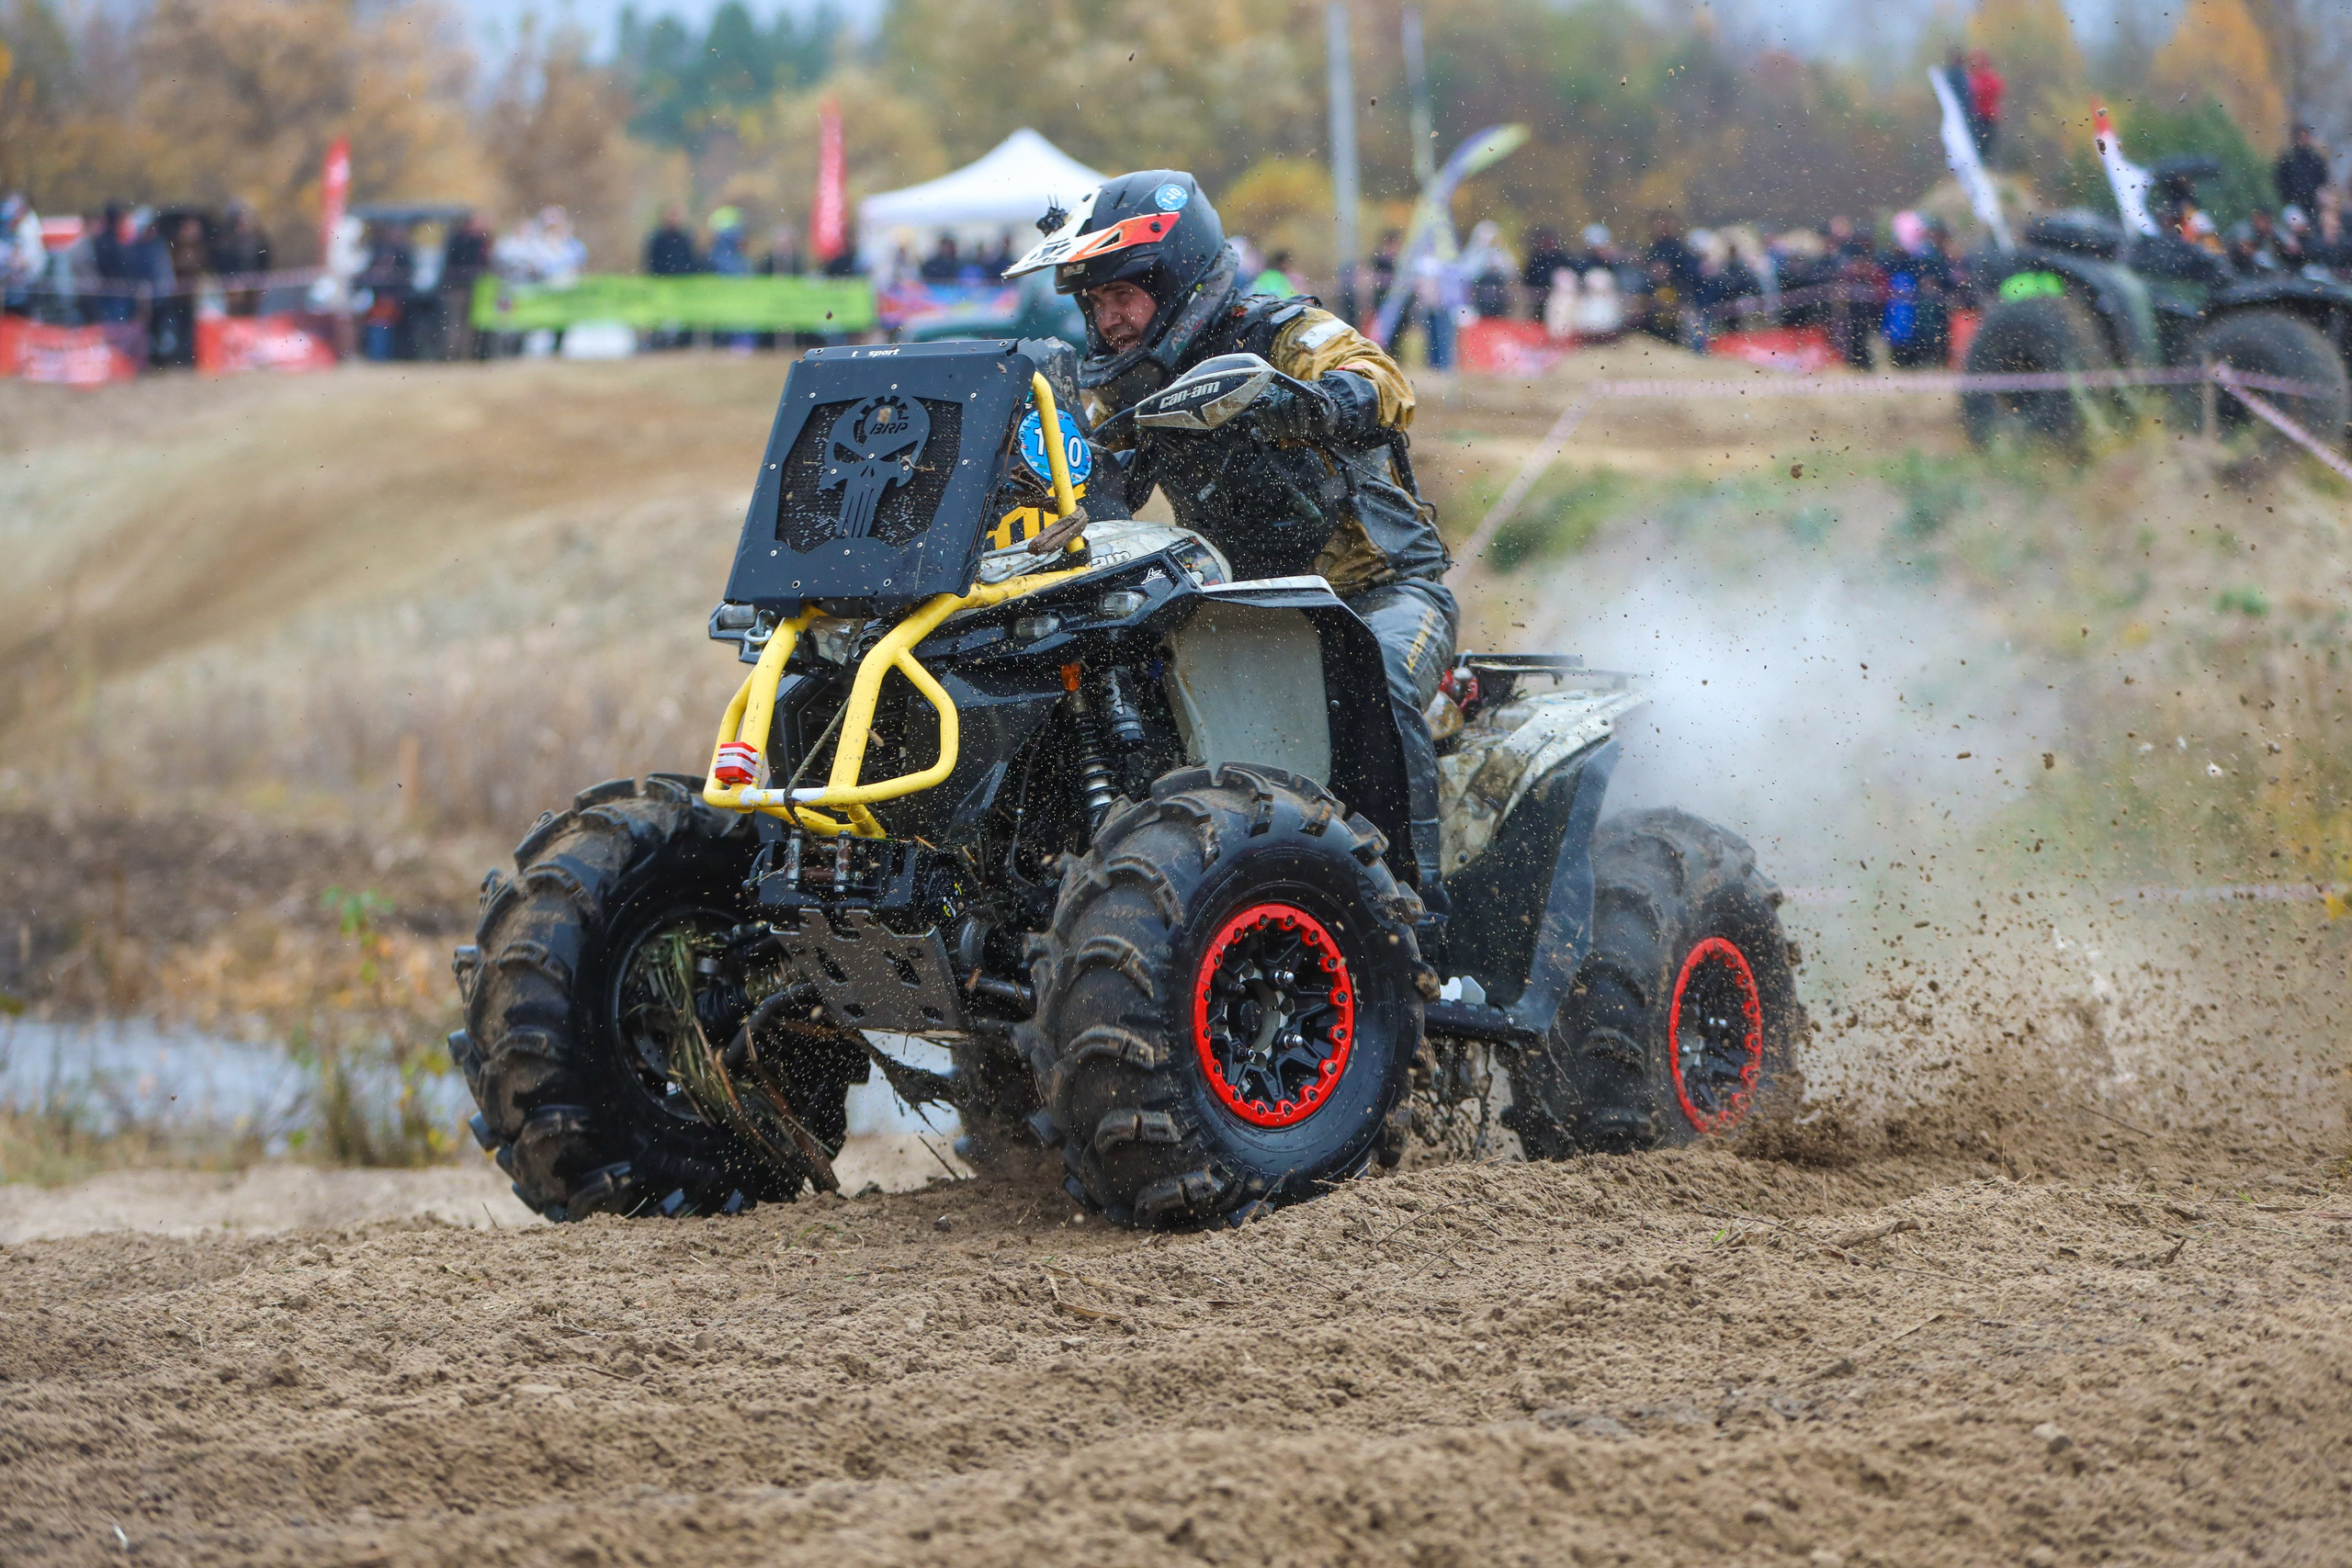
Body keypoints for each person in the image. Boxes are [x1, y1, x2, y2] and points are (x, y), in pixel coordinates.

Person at [1005, 169, 1459, 931]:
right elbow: (1088, 482)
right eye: (1096, 301)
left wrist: (1306, 400)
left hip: (1378, 593)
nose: (1109, 318)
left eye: (1124, 295)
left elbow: (1383, 381)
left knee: (1372, 675)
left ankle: (1416, 914)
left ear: (1175, 276)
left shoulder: (1283, 332)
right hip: (1242, 612)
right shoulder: (1128, 387)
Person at [209, 202, 270, 316]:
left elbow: (264, 261)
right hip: (231, 286)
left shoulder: (258, 240)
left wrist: (261, 281)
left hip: (254, 285)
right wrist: (229, 280)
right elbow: (219, 263)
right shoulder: (224, 243)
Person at [1520, 225, 1572, 323]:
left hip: (1557, 297)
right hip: (1539, 298)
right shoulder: (1536, 260)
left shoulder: (1561, 259)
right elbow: (1528, 278)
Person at [2276, 126, 2329, 220]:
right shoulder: (2288, 161)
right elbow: (2281, 184)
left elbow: (2323, 182)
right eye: (2300, 137)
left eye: (2306, 137)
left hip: (2314, 204)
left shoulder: (2316, 160)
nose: (2303, 140)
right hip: (2293, 204)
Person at [1966, 50, 2005, 163]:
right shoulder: (1974, 78)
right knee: (1979, 143)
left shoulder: (1987, 78)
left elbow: (1998, 91)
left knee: (1985, 145)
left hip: (1987, 117)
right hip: (1979, 116)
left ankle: (1984, 164)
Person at [645, 207, 699, 276]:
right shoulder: (658, 238)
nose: (674, 220)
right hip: (662, 274)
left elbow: (690, 259)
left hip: (682, 274)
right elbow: (653, 260)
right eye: (671, 216)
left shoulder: (685, 238)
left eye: (676, 217)